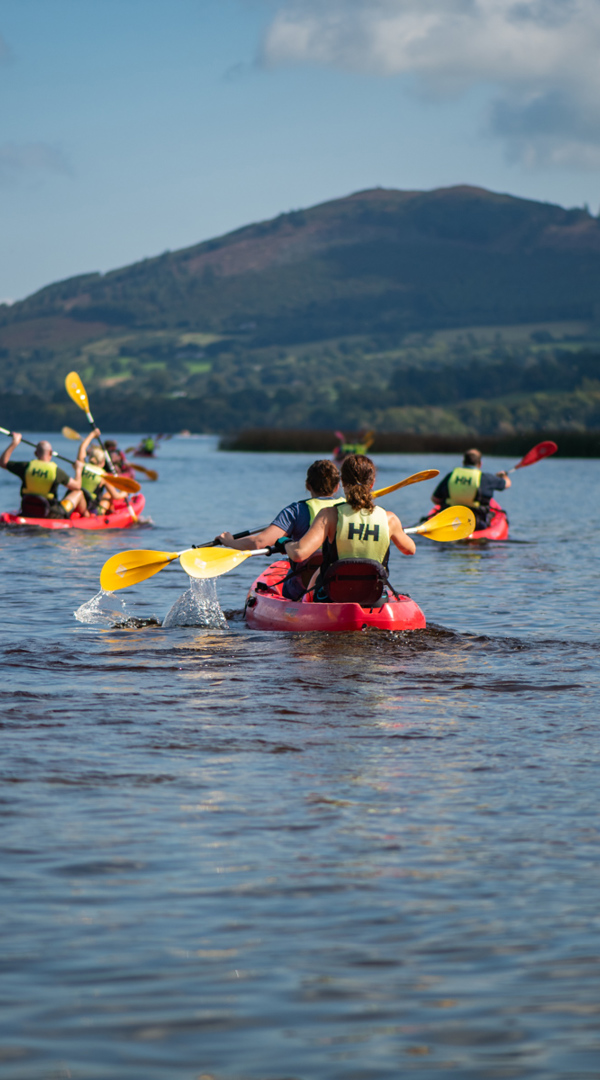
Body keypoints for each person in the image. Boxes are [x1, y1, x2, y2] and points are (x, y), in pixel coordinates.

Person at [283, 454, 415, 602]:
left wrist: (285, 543)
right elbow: (410, 550)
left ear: (343, 482)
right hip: (374, 598)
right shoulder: (389, 519)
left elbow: (299, 553)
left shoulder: (329, 515)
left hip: (331, 598)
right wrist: (395, 532)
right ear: (372, 484)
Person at [218, 459, 344, 599]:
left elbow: (259, 543)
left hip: (302, 589)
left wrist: (229, 542)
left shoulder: (295, 511)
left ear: (308, 485)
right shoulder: (350, 509)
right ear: (337, 487)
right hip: (341, 582)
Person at [0, 432, 87, 518]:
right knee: (78, 493)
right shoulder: (57, 471)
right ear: (51, 453)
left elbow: (3, 462)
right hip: (51, 513)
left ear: (36, 453)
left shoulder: (26, 467)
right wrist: (78, 470)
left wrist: (14, 443)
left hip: (27, 509)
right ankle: (86, 516)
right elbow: (77, 486)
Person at [431, 448, 511, 529]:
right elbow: (507, 484)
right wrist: (504, 475)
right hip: (476, 523)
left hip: (449, 520)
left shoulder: (451, 475)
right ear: (480, 464)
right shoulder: (486, 478)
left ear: (463, 462)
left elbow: (435, 499)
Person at [75, 429, 121, 515]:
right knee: (108, 495)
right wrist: (125, 493)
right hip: (91, 509)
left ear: (90, 458)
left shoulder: (81, 466)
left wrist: (92, 434)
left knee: (106, 495)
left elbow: (82, 448)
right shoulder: (103, 475)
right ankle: (110, 513)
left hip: (77, 503)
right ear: (103, 462)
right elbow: (116, 496)